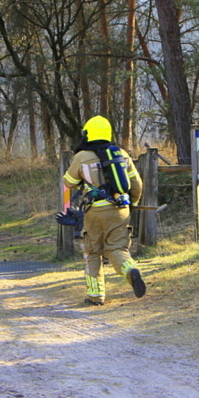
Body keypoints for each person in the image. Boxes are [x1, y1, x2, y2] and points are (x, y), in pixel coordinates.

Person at [62, 115, 146, 306]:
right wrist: (130, 203)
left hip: (95, 212)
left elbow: (69, 182)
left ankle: (95, 295)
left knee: (92, 252)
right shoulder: (122, 154)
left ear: (88, 134)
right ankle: (130, 270)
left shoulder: (81, 156)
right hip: (120, 210)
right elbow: (137, 184)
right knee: (117, 248)